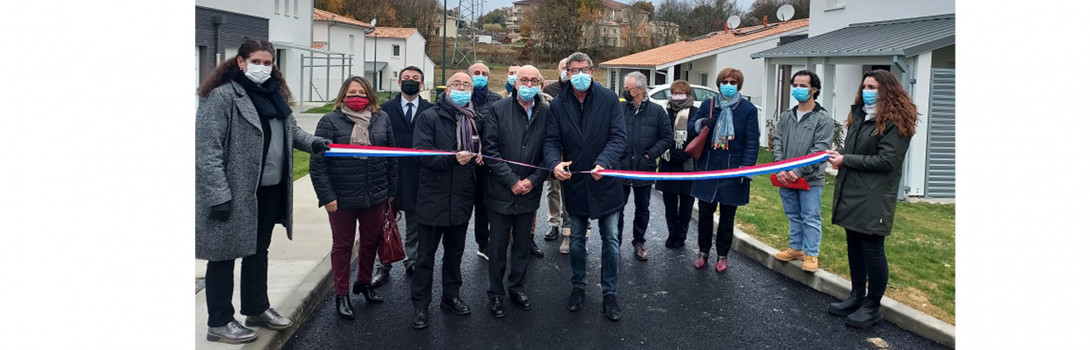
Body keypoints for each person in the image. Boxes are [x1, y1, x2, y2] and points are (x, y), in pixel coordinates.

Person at [195, 38, 328, 344]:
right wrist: (218, 194)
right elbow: (207, 150)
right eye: (257, 62)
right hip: (233, 194)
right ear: (240, 62)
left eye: (268, 63)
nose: (263, 68)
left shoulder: (274, 94)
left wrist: (314, 144)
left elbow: (291, 130)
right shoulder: (222, 96)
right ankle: (219, 322)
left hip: (268, 191)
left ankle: (256, 308)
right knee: (223, 256)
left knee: (258, 251)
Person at [825, 70, 917, 329]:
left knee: (872, 250)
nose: (866, 90)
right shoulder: (859, 115)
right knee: (853, 245)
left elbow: (887, 160)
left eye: (873, 86)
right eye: (864, 85)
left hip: (874, 197)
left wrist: (846, 160)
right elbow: (858, 152)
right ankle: (856, 295)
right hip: (852, 192)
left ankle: (873, 306)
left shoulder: (895, 122)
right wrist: (840, 155)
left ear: (886, 90)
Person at [544, 52, 626, 321]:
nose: (579, 75)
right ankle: (578, 287)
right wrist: (555, 163)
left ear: (592, 72)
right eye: (574, 70)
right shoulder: (558, 104)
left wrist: (604, 162)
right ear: (566, 73)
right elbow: (552, 140)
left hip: (606, 181)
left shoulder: (609, 99)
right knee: (577, 240)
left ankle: (609, 293)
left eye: (584, 69)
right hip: (576, 183)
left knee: (611, 240)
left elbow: (618, 137)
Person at [309, 76, 397, 320]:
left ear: (369, 95)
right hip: (342, 197)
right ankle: (341, 293)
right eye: (351, 92)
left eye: (361, 92)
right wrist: (327, 196)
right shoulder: (329, 121)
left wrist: (391, 191)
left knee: (371, 241)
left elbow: (391, 155)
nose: (356, 96)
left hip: (375, 194)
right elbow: (317, 164)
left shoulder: (382, 119)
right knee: (343, 245)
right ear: (342, 96)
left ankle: (364, 282)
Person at [410, 72, 481, 329]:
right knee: (425, 256)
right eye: (457, 84)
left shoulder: (475, 119)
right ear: (447, 89)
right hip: (433, 197)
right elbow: (421, 154)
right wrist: (453, 158)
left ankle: (451, 297)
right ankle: (420, 305)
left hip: (461, 197)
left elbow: (479, 151)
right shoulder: (429, 117)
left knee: (455, 253)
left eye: (467, 85)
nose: (462, 88)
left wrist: (478, 160)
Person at [481, 65, 551, 318]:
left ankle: (517, 287)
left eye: (534, 80)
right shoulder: (497, 110)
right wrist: (511, 180)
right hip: (501, 190)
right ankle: (496, 293)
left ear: (540, 84)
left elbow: (549, 152)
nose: (528, 84)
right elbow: (490, 150)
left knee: (522, 246)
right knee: (497, 247)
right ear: (515, 82)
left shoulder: (547, 112)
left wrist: (532, 181)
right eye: (524, 79)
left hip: (529, 192)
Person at [687, 67, 759, 273]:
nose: (728, 86)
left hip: (733, 170)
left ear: (739, 86)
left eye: (733, 83)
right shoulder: (709, 104)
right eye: (725, 82)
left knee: (728, 217)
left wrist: (745, 169)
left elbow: (752, 141)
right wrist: (702, 123)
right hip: (708, 168)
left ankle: (722, 255)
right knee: (705, 214)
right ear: (718, 84)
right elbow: (692, 126)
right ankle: (703, 252)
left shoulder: (748, 109)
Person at [373, 66, 431, 288]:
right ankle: (383, 264)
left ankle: (412, 259)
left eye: (415, 79)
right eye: (406, 78)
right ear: (399, 82)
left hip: (419, 174)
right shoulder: (384, 109)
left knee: (415, 221)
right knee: (385, 221)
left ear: (422, 84)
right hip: (390, 173)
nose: (410, 81)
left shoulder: (429, 109)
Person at [771, 70, 835, 273]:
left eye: (802, 86)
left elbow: (821, 149)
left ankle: (811, 254)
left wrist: (798, 171)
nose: (797, 89)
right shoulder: (786, 116)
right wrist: (780, 167)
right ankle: (796, 248)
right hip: (785, 177)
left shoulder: (823, 119)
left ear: (814, 90)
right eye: (795, 85)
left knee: (810, 216)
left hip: (810, 179)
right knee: (792, 214)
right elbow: (778, 141)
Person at [616, 72, 672, 261]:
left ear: (639, 89)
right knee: (617, 207)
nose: (625, 91)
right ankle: (615, 243)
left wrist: (650, 154)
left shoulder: (657, 111)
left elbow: (667, 138)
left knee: (643, 207)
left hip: (644, 167)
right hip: (621, 167)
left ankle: (639, 242)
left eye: (628, 88)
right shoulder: (619, 108)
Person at [467, 61, 504, 261]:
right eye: (476, 73)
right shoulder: (461, 98)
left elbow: (497, 132)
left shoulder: (496, 101)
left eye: (484, 73)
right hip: (461, 162)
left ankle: (484, 243)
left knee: (483, 205)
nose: (480, 76)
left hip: (485, 162)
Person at [657, 80, 700, 249]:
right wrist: (669, 150)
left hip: (687, 163)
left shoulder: (695, 112)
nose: (677, 97)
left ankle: (681, 235)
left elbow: (698, 136)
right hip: (668, 162)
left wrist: (684, 153)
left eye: (681, 93)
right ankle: (671, 233)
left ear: (688, 95)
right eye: (675, 93)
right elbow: (659, 133)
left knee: (686, 203)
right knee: (669, 202)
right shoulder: (665, 112)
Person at [541, 57, 573, 254]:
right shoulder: (549, 92)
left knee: (571, 193)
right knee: (552, 190)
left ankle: (569, 228)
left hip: (572, 153)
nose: (566, 71)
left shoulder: (582, 92)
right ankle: (554, 222)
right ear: (558, 69)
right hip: (554, 152)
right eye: (563, 67)